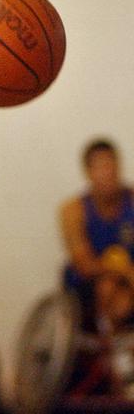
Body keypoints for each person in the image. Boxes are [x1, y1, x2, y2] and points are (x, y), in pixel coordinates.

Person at [59, 139, 134, 336]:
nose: (107, 173)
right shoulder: (73, 210)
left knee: (122, 296)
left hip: (128, 280)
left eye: (111, 165)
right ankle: (110, 345)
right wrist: (124, 272)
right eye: (100, 167)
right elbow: (84, 263)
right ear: (88, 172)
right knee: (107, 287)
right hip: (91, 282)